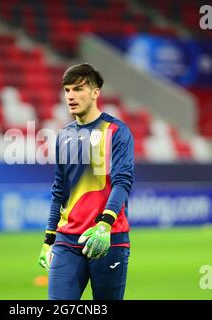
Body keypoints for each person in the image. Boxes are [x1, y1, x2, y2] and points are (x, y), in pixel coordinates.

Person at [37, 63, 135, 300]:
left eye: (78, 89)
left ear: (95, 92)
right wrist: (49, 239)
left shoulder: (116, 131)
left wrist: (105, 224)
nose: (71, 96)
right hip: (67, 242)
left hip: (108, 240)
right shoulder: (63, 136)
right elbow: (59, 191)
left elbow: (122, 182)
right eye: (67, 90)